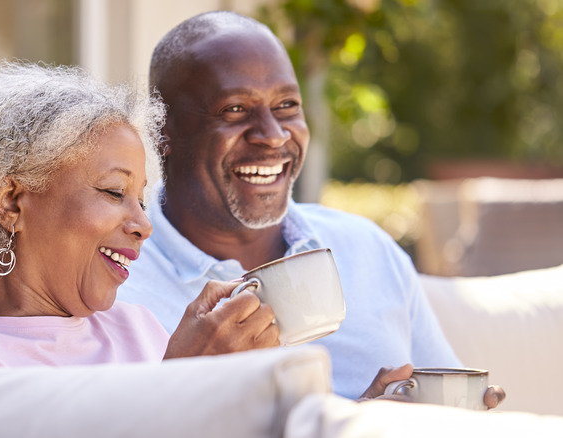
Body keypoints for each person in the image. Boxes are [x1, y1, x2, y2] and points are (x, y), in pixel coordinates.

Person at [117, 11, 504, 406]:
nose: (273, 135)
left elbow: (452, 407)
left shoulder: (366, 249)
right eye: (235, 109)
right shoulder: (114, 282)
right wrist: (182, 384)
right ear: (163, 131)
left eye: (286, 105)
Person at [0, 61, 279, 366]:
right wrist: (183, 381)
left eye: (141, 200)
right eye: (114, 192)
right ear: (11, 202)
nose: (144, 225)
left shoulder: (138, 331)